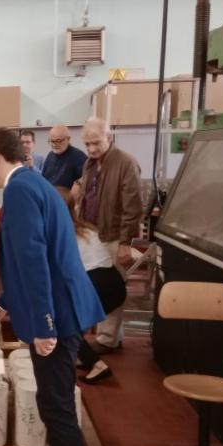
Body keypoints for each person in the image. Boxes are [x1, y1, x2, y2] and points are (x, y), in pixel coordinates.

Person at [0, 128, 104, 446]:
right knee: (53, 398)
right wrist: (6, 300)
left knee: (55, 402)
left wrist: (45, 325)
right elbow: (32, 256)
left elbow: (34, 260)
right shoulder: (33, 183)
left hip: (58, 312)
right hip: (65, 304)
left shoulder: (19, 189)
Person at [78, 118, 142, 354]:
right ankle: (112, 335)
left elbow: (133, 206)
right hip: (93, 234)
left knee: (112, 287)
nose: (91, 148)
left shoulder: (125, 163)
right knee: (97, 285)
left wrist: (126, 242)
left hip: (113, 235)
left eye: (96, 143)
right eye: (87, 144)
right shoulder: (89, 164)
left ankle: (107, 339)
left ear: (109, 137)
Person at [57, 187, 127, 384]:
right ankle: (84, 358)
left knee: (64, 323)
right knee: (72, 322)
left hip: (97, 284)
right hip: (114, 283)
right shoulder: (85, 229)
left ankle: (98, 365)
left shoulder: (62, 234)